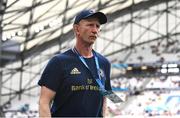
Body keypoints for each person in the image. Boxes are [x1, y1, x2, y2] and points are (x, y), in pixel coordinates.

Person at [38, 9, 112, 117]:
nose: (95, 30)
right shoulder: (59, 62)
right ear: (77, 29)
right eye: (90, 25)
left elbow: (105, 96)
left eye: (97, 26)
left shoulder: (104, 63)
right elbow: (44, 102)